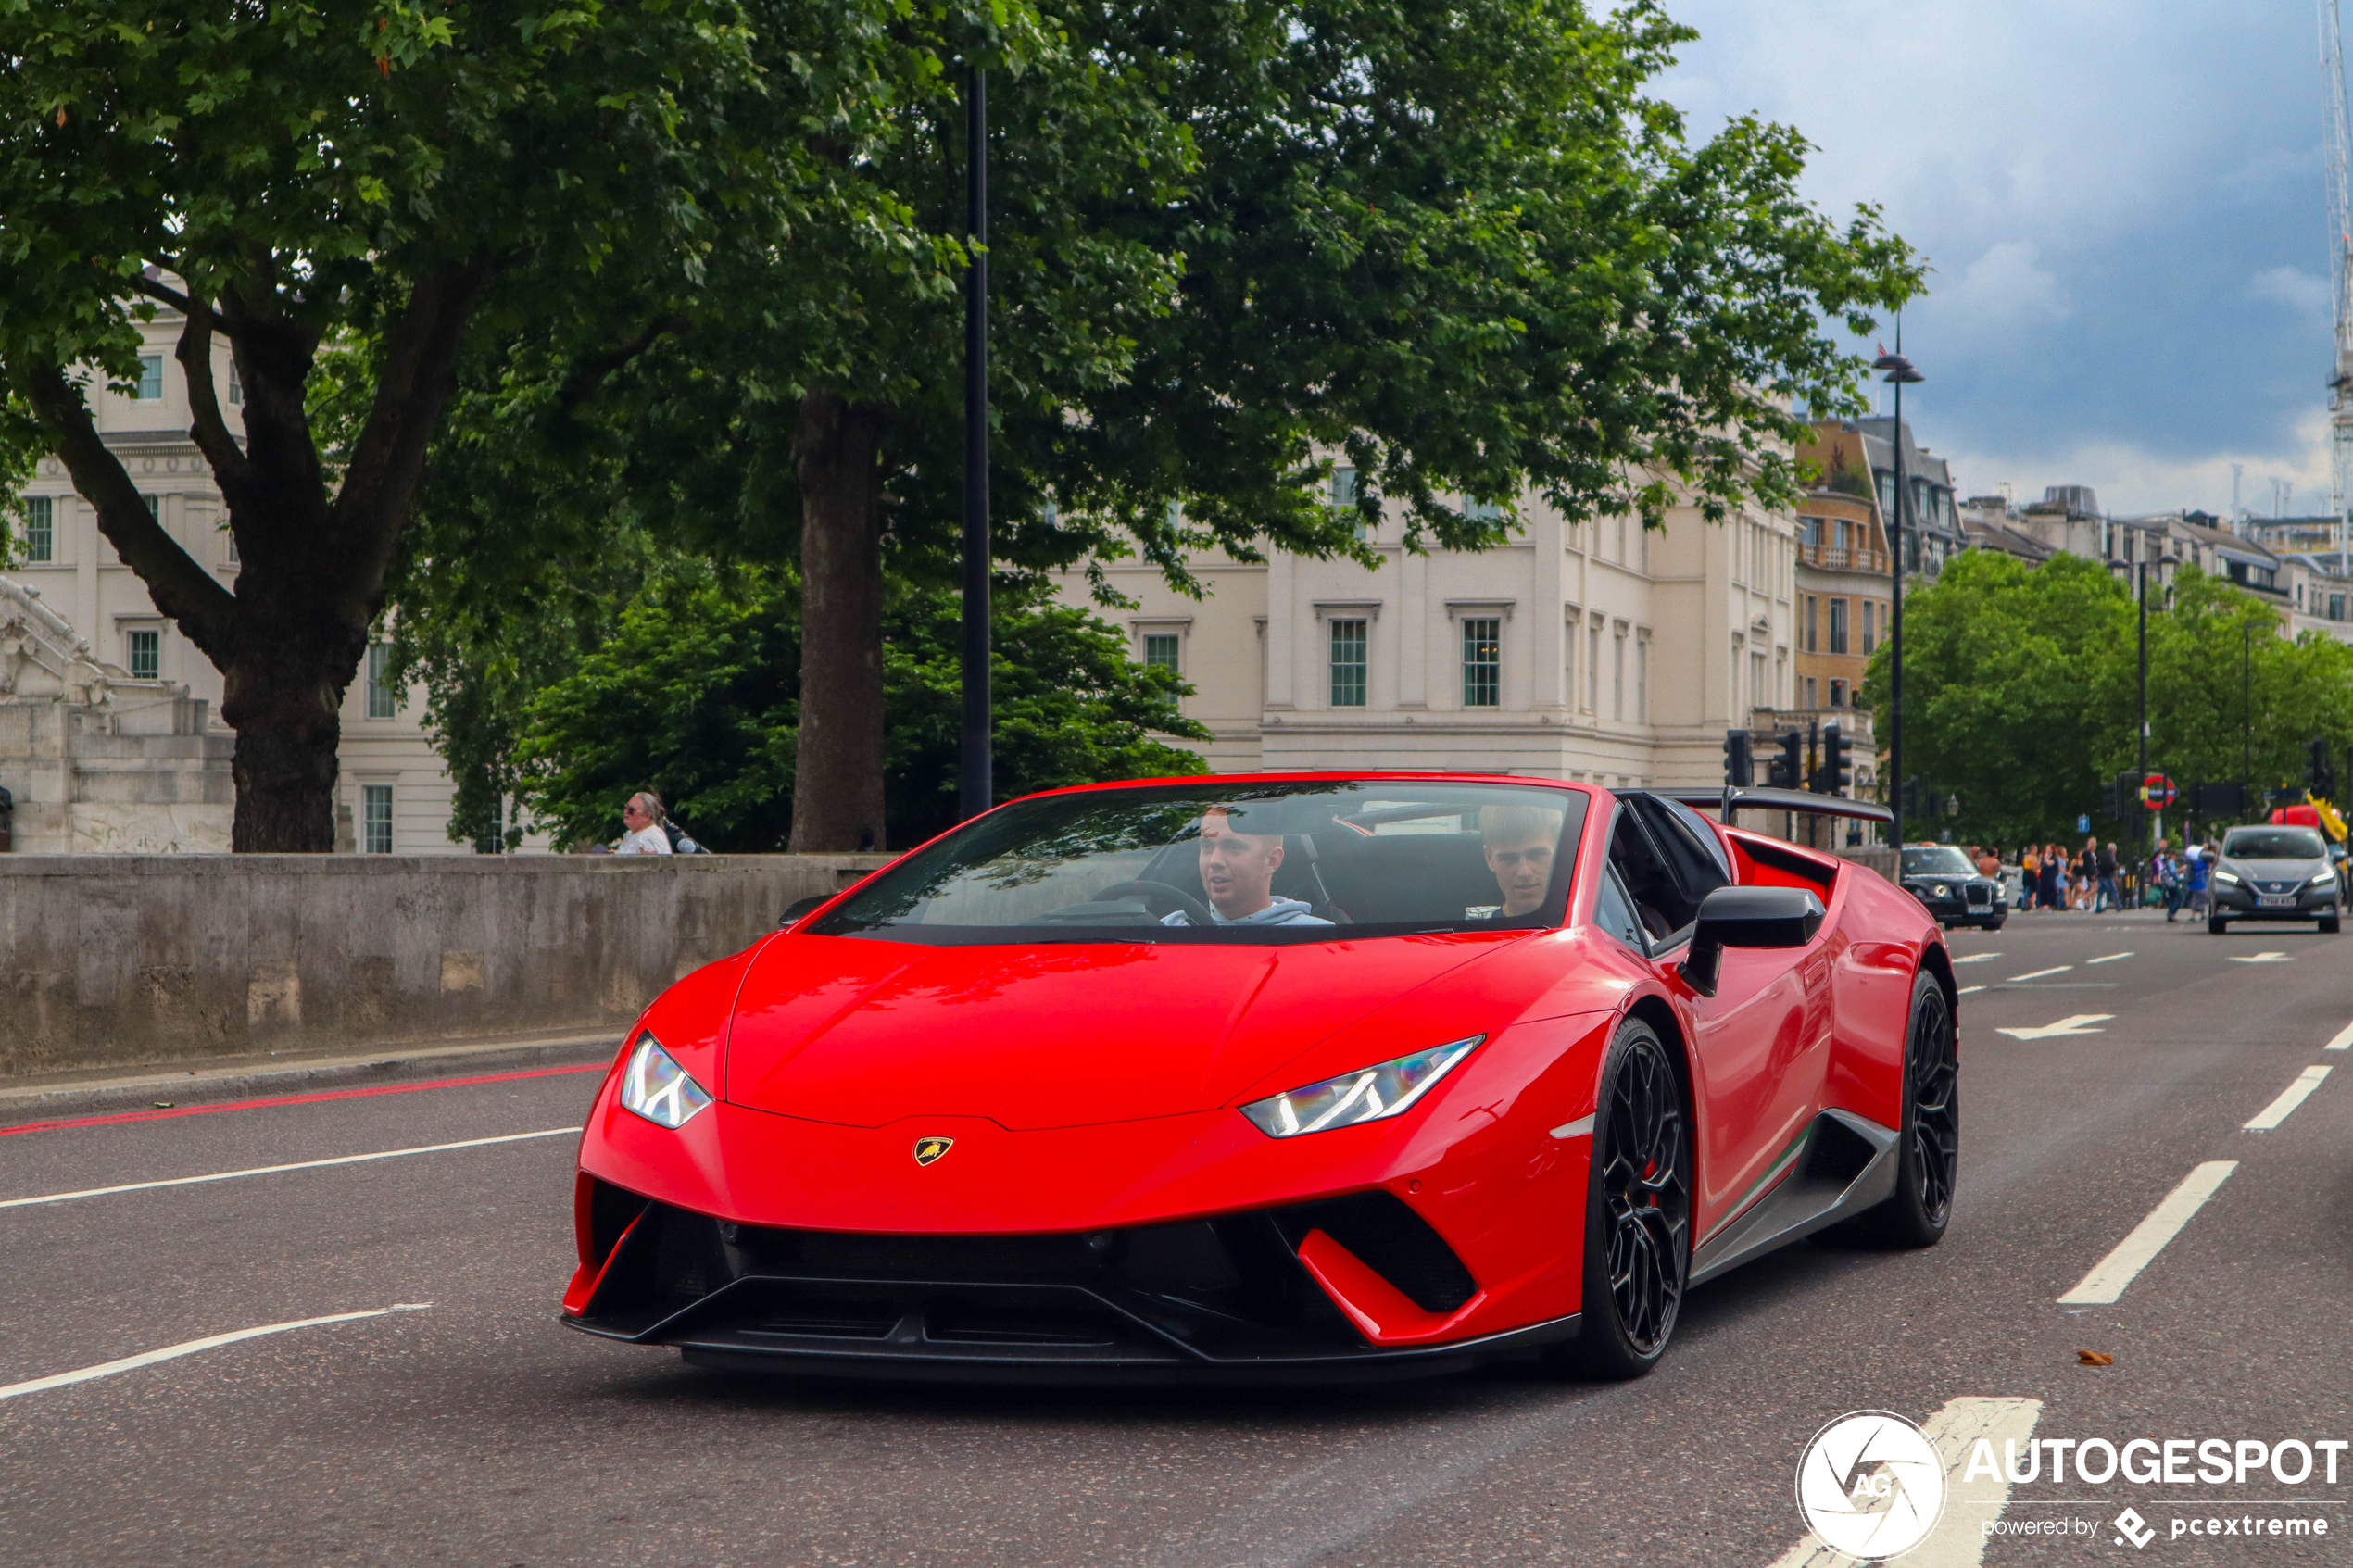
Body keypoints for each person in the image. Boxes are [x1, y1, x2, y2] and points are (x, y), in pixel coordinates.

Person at [1162, 808, 1331, 926]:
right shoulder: (1165, 930)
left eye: (1232, 847)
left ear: (1272, 861)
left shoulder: (1319, 939)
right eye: (1207, 847)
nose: (1214, 861)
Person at [1479, 803, 1567, 918]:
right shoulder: (1471, 931)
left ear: (1560, 851)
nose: (1525, 872)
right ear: (1489, 858)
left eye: (1537, 855)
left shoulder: (1590, 920)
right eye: (1508, 858)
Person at [615, 791, 674, 855]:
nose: (626, 812)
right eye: (626, 807)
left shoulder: (648, 839)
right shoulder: (633, 834)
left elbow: (647, 864)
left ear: (646, 816)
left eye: (631, 810)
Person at [2151, 836, 2182, 922]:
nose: (2165, 845)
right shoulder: (2161, 859)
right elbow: (2168, 871)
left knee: (2172, 898)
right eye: (2164, 843)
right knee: (2179, 898)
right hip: (2169, 881)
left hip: (2166, 880)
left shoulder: (2164, 859)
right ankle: (2171, 913)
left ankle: (2171, 914)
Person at [2094, 840, 2120, 913]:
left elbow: (2096, 863)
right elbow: (2113, 865)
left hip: (2101, 875)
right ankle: (2118, 905)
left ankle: (2098, 906)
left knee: (2101, 891)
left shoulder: (2101, 854)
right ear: (2114, 850)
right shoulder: (2111, 856)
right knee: (2113, 890)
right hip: (2108, 875)